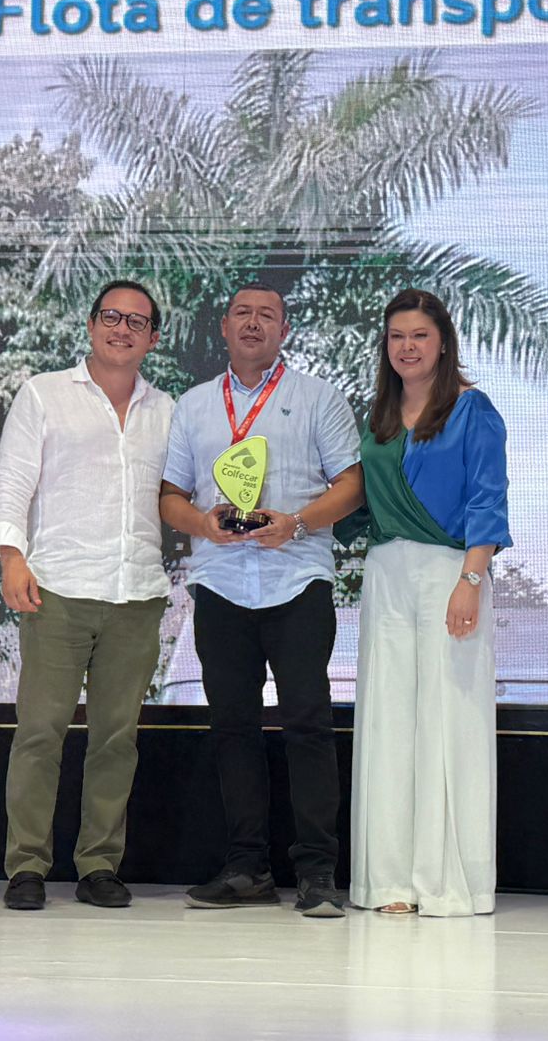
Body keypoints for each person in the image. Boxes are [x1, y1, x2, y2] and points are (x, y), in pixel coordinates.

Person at [160, 282, 363, 918]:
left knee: (308, 724)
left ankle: (318, 872)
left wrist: (296, 523)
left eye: (267, 315)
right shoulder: (193, 406)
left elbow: (352, 486)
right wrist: (203, 523)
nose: (254, 323)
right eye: (243, 314)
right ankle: (247, 867)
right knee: (233, 726)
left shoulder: (319, 398)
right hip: (220, 582)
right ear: (224, 327)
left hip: (297, 579)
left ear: (284, 330)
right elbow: (170, 497)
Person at [0, 279, 173, 911]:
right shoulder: (44, 394)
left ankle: (98, 865)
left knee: (116, 739)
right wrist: (12, 555)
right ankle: (26, 866)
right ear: (91, 325)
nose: (122, 329)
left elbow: (181, 496)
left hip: (135, 594)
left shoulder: (167, 412)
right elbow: (13, 480)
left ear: (152, 338)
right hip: (57, 590)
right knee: (40, 733)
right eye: (111, 317)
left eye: (137, 322)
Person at [349, 289, 511, 917]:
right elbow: (359, 502)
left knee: (449, 720)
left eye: (419, 335)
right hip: (387, 572)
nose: (407, 347)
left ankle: (446, 885)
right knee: (388, 721)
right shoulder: (380, 417)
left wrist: (470, 580)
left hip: (451, 571)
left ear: (443, 342)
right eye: (396, 336)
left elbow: (487, 501)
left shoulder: (473, 411)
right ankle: (388, 882)